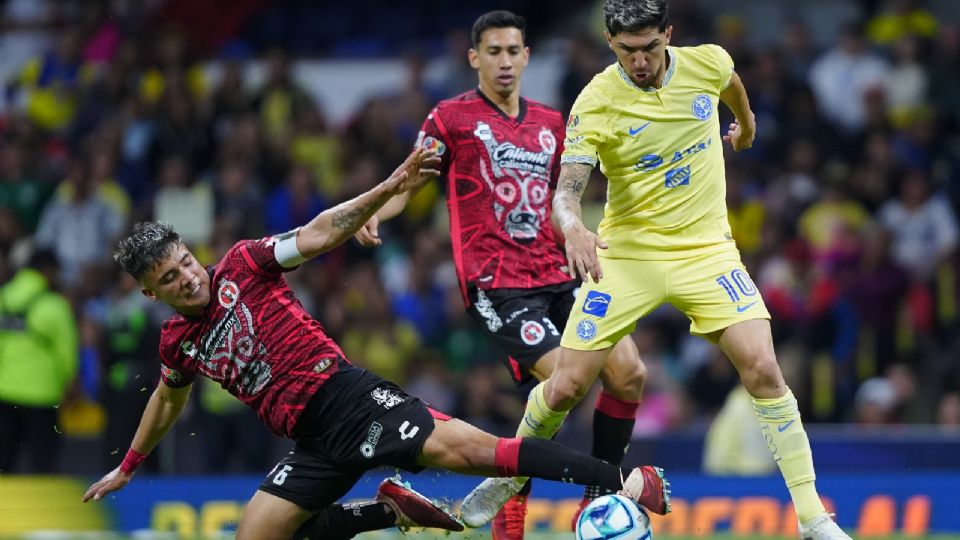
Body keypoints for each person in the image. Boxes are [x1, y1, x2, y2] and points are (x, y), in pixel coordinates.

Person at [80, 148, 669, 540]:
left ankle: (623, 481)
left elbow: (315, 235)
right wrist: (130, 466)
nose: (188, 277)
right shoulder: (177, 341)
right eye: (171, 279)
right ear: (152, 294)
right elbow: (166, 399)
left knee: (481, 454)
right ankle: (389, 510)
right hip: (312, 442)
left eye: (185, 262)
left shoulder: (242, 265)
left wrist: (389, 186)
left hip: (350, 400)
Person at [461, 2, 852, 539]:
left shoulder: (707, 63)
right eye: (627, 51)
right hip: (626, 256)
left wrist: (747, 125)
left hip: (705, 253)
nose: (640, 61)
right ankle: (505, 475)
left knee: (763, 367)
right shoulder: (596, 100)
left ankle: (813, 519)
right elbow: (567, 190)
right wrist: (572, 226)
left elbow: (732, 84)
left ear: (668, 34)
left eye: (650, 47)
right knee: (567, 384)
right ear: (609, 42)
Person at [354, 10, 654, 537]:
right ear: (475, 58)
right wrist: (378, 209)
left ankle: (595, 495)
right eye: (493, 52)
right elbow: (411, 179)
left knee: (629, 373)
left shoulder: (552, 123)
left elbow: (570, 195)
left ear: (527, 57)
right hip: (500, 284)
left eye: (514, 51)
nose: (505, 62)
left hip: (561, 272)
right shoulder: (451, 118)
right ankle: (514, 490)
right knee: (566, 380)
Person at [0, 249, 78, 473]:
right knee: (43, 465)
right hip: (43, 397)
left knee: (3, 465)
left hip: (3, 394)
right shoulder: (54, 306)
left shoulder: (3, 298)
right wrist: (70, 383)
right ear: (50, 272)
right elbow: (67, 354)